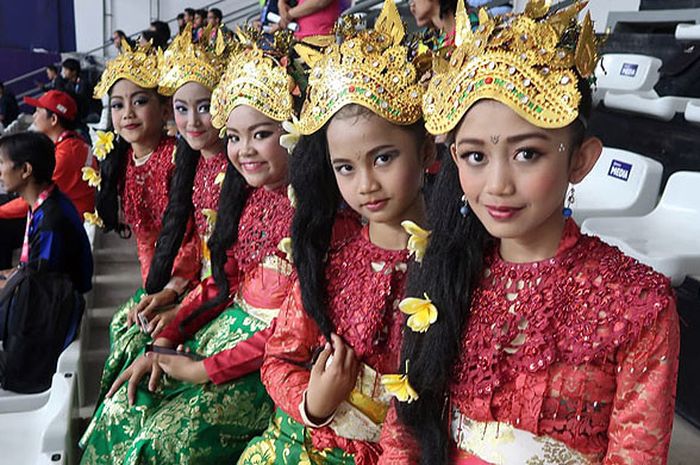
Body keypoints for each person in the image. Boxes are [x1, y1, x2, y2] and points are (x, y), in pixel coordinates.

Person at [380, 2, 680, 465]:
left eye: (527, 154)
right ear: (454, 158)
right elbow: (404, 432)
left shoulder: (637, 303)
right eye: (476, 157)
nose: (498, 185)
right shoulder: (444, 271)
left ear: (579, 160)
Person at [80, 30, 308, 465]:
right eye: (236, 137)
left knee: (169, 439)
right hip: (223, 321)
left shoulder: (317, 214)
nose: (242, 152)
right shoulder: (247, 193)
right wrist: (168, 335)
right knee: (125, 406)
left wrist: (202, 367)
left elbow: (294, 331)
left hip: (269, 357)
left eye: (260, 134)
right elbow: (224, 278)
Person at [237, 2, 434, 464]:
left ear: (425, 148)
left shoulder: (453, 264)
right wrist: (314, 402)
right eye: (345, 167)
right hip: (300, 438)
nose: (365, 185)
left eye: (383, 158)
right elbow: (279, 359)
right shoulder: (331, 260)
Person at [92, 24, 231, 406]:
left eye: (139, 101)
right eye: (117, 105)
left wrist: (170, 292)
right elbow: (144, 239)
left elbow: (189, 238)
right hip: (164, 280)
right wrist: (152, 290)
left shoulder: (180, 157)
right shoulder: (121, 163)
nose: (127, 114)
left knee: (136, 344)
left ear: (162, 107)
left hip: (193, 280)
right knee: (124, 328)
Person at [0, 132, 93, 393]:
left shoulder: (52, 219)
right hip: (42, 303)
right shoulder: (46, 203)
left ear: (26, 169)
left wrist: (8, 282)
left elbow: (39, 285)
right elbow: (32, 271)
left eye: (1, 163)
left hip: (44, 322)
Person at [0, 90, 95, 269]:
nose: (34, 115)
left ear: (53, 120)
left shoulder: (66, 155)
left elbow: (34, 196)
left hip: (67, 220)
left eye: (39, 111)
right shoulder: (73, 143)